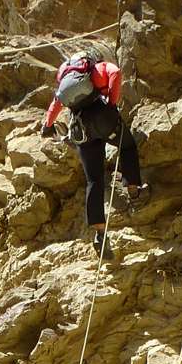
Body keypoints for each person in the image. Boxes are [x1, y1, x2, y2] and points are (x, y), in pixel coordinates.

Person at [41, 48, 147, 255]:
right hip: (103, 118)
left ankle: (99, 232)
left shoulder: (67, 82)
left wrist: (47, 126)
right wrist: (112, 103)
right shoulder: (96, 68)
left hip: (81, 129)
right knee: (127, 146)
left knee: (94, 180)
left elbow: (56, 105)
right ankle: (134, 191)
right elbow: (115, 73)